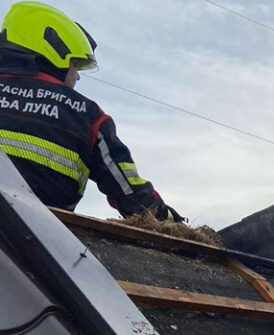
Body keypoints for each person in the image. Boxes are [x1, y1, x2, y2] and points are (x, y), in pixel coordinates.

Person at [0, 1, 182, 220]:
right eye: (76, 65)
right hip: (33, 245)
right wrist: (173, 223)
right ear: (56, 52)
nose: (76, 76)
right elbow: (132, 195)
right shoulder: (87, 115)